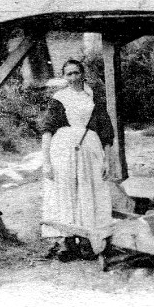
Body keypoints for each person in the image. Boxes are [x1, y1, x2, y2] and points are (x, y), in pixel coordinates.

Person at [41, 59, 114, 260]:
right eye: (68, 74)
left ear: (83, 74)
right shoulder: (59, 99)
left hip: (90, 149)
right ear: (64, 77)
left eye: (76, 73)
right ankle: (67, 240)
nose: (73, 77)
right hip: (63, 150)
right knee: (65, 191)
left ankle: (87, 239)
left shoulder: (94, 99)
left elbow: (106, 132)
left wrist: (107, 160)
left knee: (88, 191)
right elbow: (47, 131)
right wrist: (46, 161)